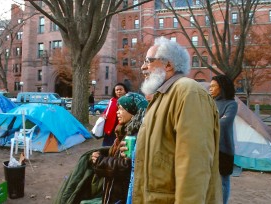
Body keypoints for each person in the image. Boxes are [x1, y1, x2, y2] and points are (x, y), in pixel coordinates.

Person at [129, 36, 222, 203]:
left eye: (148, 61)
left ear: (168, 65)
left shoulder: (188, 92)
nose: (143, 67)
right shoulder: (162, 96)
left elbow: (194, 166)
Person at [91, 92, 148, 204]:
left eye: (121, 109)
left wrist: (100, 161)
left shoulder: (134, 136)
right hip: (116, 192)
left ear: (133, 111)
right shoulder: (125, 130)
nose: (117, 112)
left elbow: (125, 167)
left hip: (122, 195)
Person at [209, 74, 238, 204]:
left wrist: (207, 122)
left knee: (223, 180)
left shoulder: (232, 104)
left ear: (222, 87)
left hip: (224, 148)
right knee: (209, 179)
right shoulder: (209, 102)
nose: (210, 89)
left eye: (213, 86)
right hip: (209, 147)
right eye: (210, 86)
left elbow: (224, 123)